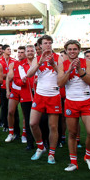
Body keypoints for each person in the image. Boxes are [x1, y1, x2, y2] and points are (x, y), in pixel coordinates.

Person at [57, 40, 90, 172]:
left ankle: (88, 156)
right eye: (69, 49)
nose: (72, 51)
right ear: (66, 51)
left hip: (86, 101)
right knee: (72, 133)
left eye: (74, 49)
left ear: (79, 50)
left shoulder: (88, 62)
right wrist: (69, 70)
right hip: (71, 102)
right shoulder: (63, 64)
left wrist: (79, 69)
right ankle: (73, 162)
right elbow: (60, 83)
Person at [24, 35, 61, 164]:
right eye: (45, 43)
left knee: (53, 126)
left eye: (50, 43)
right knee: (33, 123)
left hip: (54, 95)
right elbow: (29, 74)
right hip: (40, 94)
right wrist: (40, 63)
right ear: (40, 45)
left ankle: (51, 153)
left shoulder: (59, 57)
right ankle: (40, 147)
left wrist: (53, 64)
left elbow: (62, 75)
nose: (48, 45)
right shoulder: (37, 59)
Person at [7, 45, 37, 150]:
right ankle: (25, 140)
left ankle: (41, 142)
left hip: (37, 94)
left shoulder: (37, 62)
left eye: (30, 51)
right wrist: (20, 82)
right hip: (23, 93)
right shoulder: (17, 64)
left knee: (39, 119)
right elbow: (13, 78)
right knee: (23, 116)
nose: (21, 54)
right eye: (27, 51)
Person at [0, 44, 18, 132]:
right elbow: (0, 76)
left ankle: (13, 127)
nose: (10, 50)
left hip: (12, 86)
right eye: (8, 49)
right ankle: (5, 124)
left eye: (10, 49)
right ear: (4, 51)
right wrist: (7, 76)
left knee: (14, 109)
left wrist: (6, 76)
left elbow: (14, 74)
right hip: (2, 86)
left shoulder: (14, 61)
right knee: (4, 106)